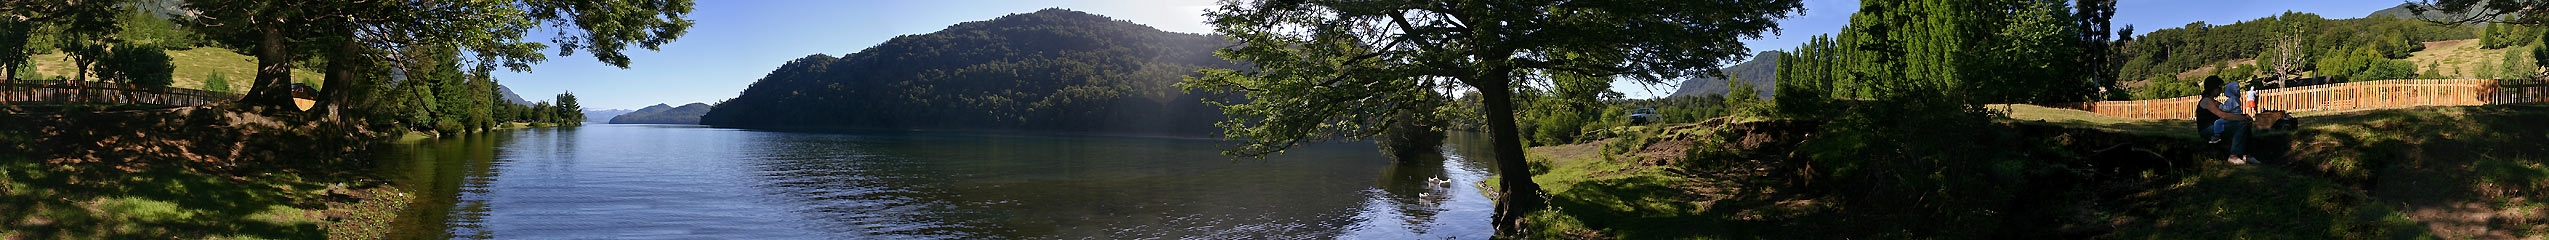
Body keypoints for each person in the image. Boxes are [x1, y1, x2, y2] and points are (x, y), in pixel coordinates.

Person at [2197, 76, 2255, 164]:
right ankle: (2233, 156)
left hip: (2217, 127)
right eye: (2219, 87)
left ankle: (2247, 155)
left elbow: (2229, 112)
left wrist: (2244, 116)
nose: (2221, 90)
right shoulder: (2207, 101)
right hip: (2207, 129)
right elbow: (2223, 115)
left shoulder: (2213, 101)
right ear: (2213, 88)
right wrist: (2242, 118)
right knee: (2241, 124)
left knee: (2245, 124)